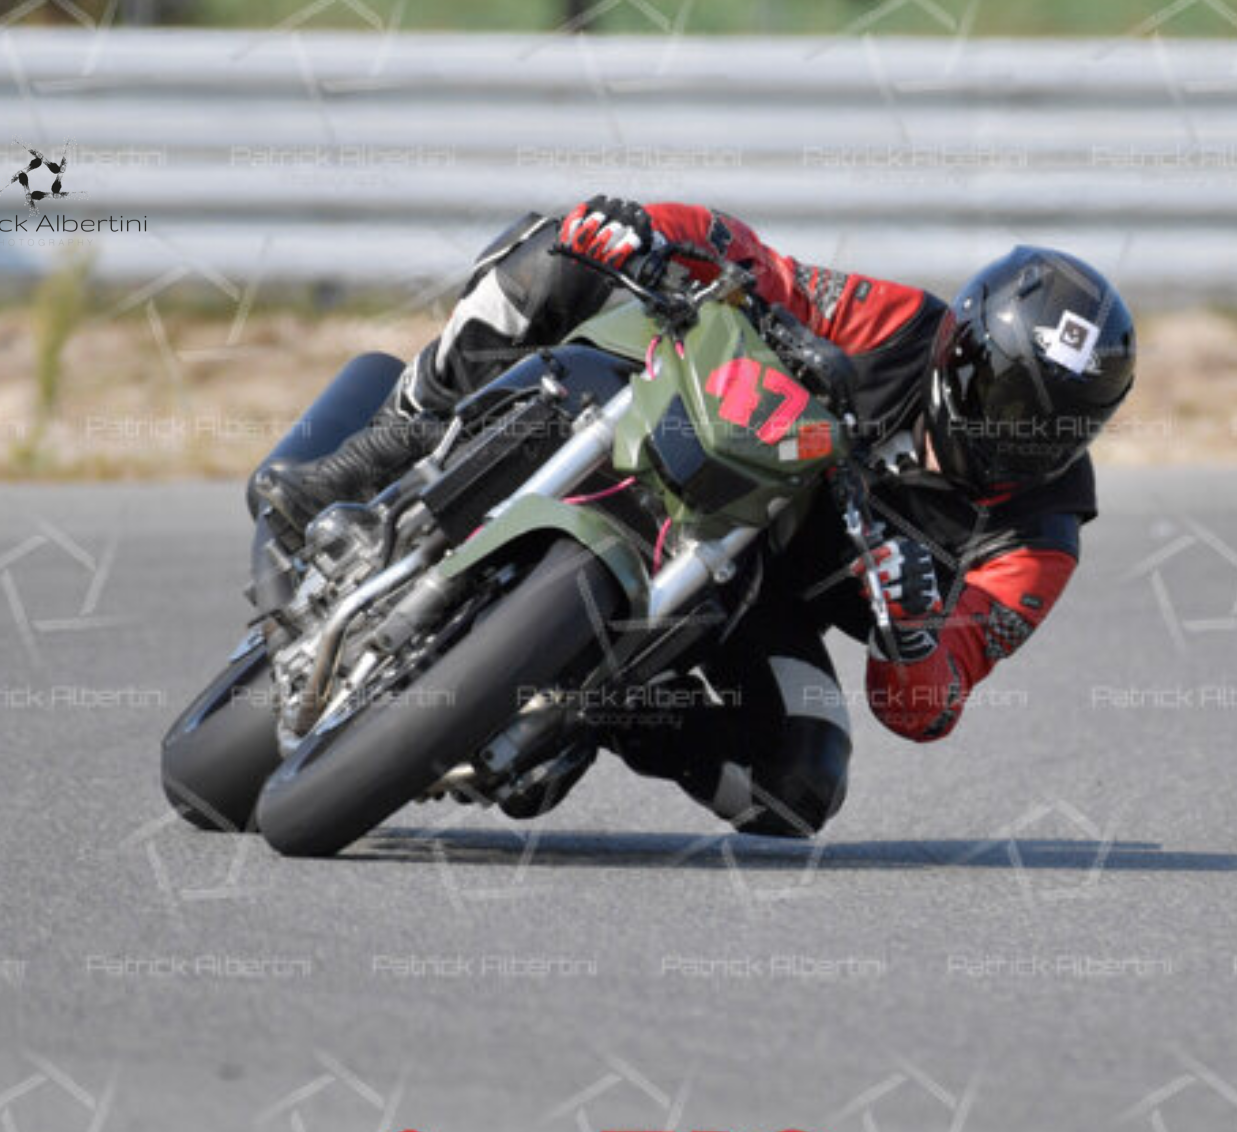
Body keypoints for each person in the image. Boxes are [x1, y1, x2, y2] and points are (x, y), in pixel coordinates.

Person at [252, 196, 1135, 838]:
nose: (1025, 440)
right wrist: (648, 228)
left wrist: (912, 637)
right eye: (1010, 402)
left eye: (1062, 426)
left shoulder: (1037, 539)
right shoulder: (898, 325)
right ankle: (383, 446)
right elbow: (760, 266)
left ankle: (602, 706)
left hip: (754, 598)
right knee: (561, 251)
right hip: (701, 448)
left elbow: (925, 708)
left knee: (802, 786)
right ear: (963, 354)